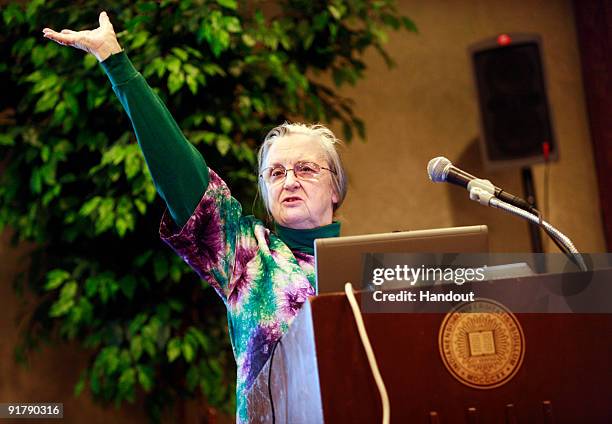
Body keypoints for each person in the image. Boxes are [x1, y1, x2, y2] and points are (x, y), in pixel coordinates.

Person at [43, 11, 348, 423]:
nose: (289, 180)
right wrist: (116, 62)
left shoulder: (369, 269)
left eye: (306, 169)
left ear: (335, 187)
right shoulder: (247, 256)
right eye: (276, 172)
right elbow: (182, 176)